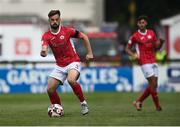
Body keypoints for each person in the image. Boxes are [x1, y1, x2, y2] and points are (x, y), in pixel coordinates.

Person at [40, 10, 93, 115]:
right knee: (50, 89)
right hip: (59, 65)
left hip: (73, 61)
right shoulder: (46, 35)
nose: (54, 22)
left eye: (56, 19)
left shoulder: (67, 31)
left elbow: (84, 36)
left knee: (71, 80)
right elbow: (44, 48)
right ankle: (58, 109)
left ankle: (83, 103)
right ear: (49, 21)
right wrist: (43, 52)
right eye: (52, 20)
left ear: (60, 20)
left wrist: (90, 53)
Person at [125, 15, 164, 111]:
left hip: (153, 60)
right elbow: (127, 48)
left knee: (154, 85)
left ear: (146, 23)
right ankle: (158, 107)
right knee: (153, 84)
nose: (141, 24)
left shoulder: (151, 33)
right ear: (138, 24)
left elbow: (156, 48)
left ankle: (138, 101)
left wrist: (161, 43)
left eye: (143, 22)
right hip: (144, 61)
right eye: (140, 23)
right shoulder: (135, 36)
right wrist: (133, 55)